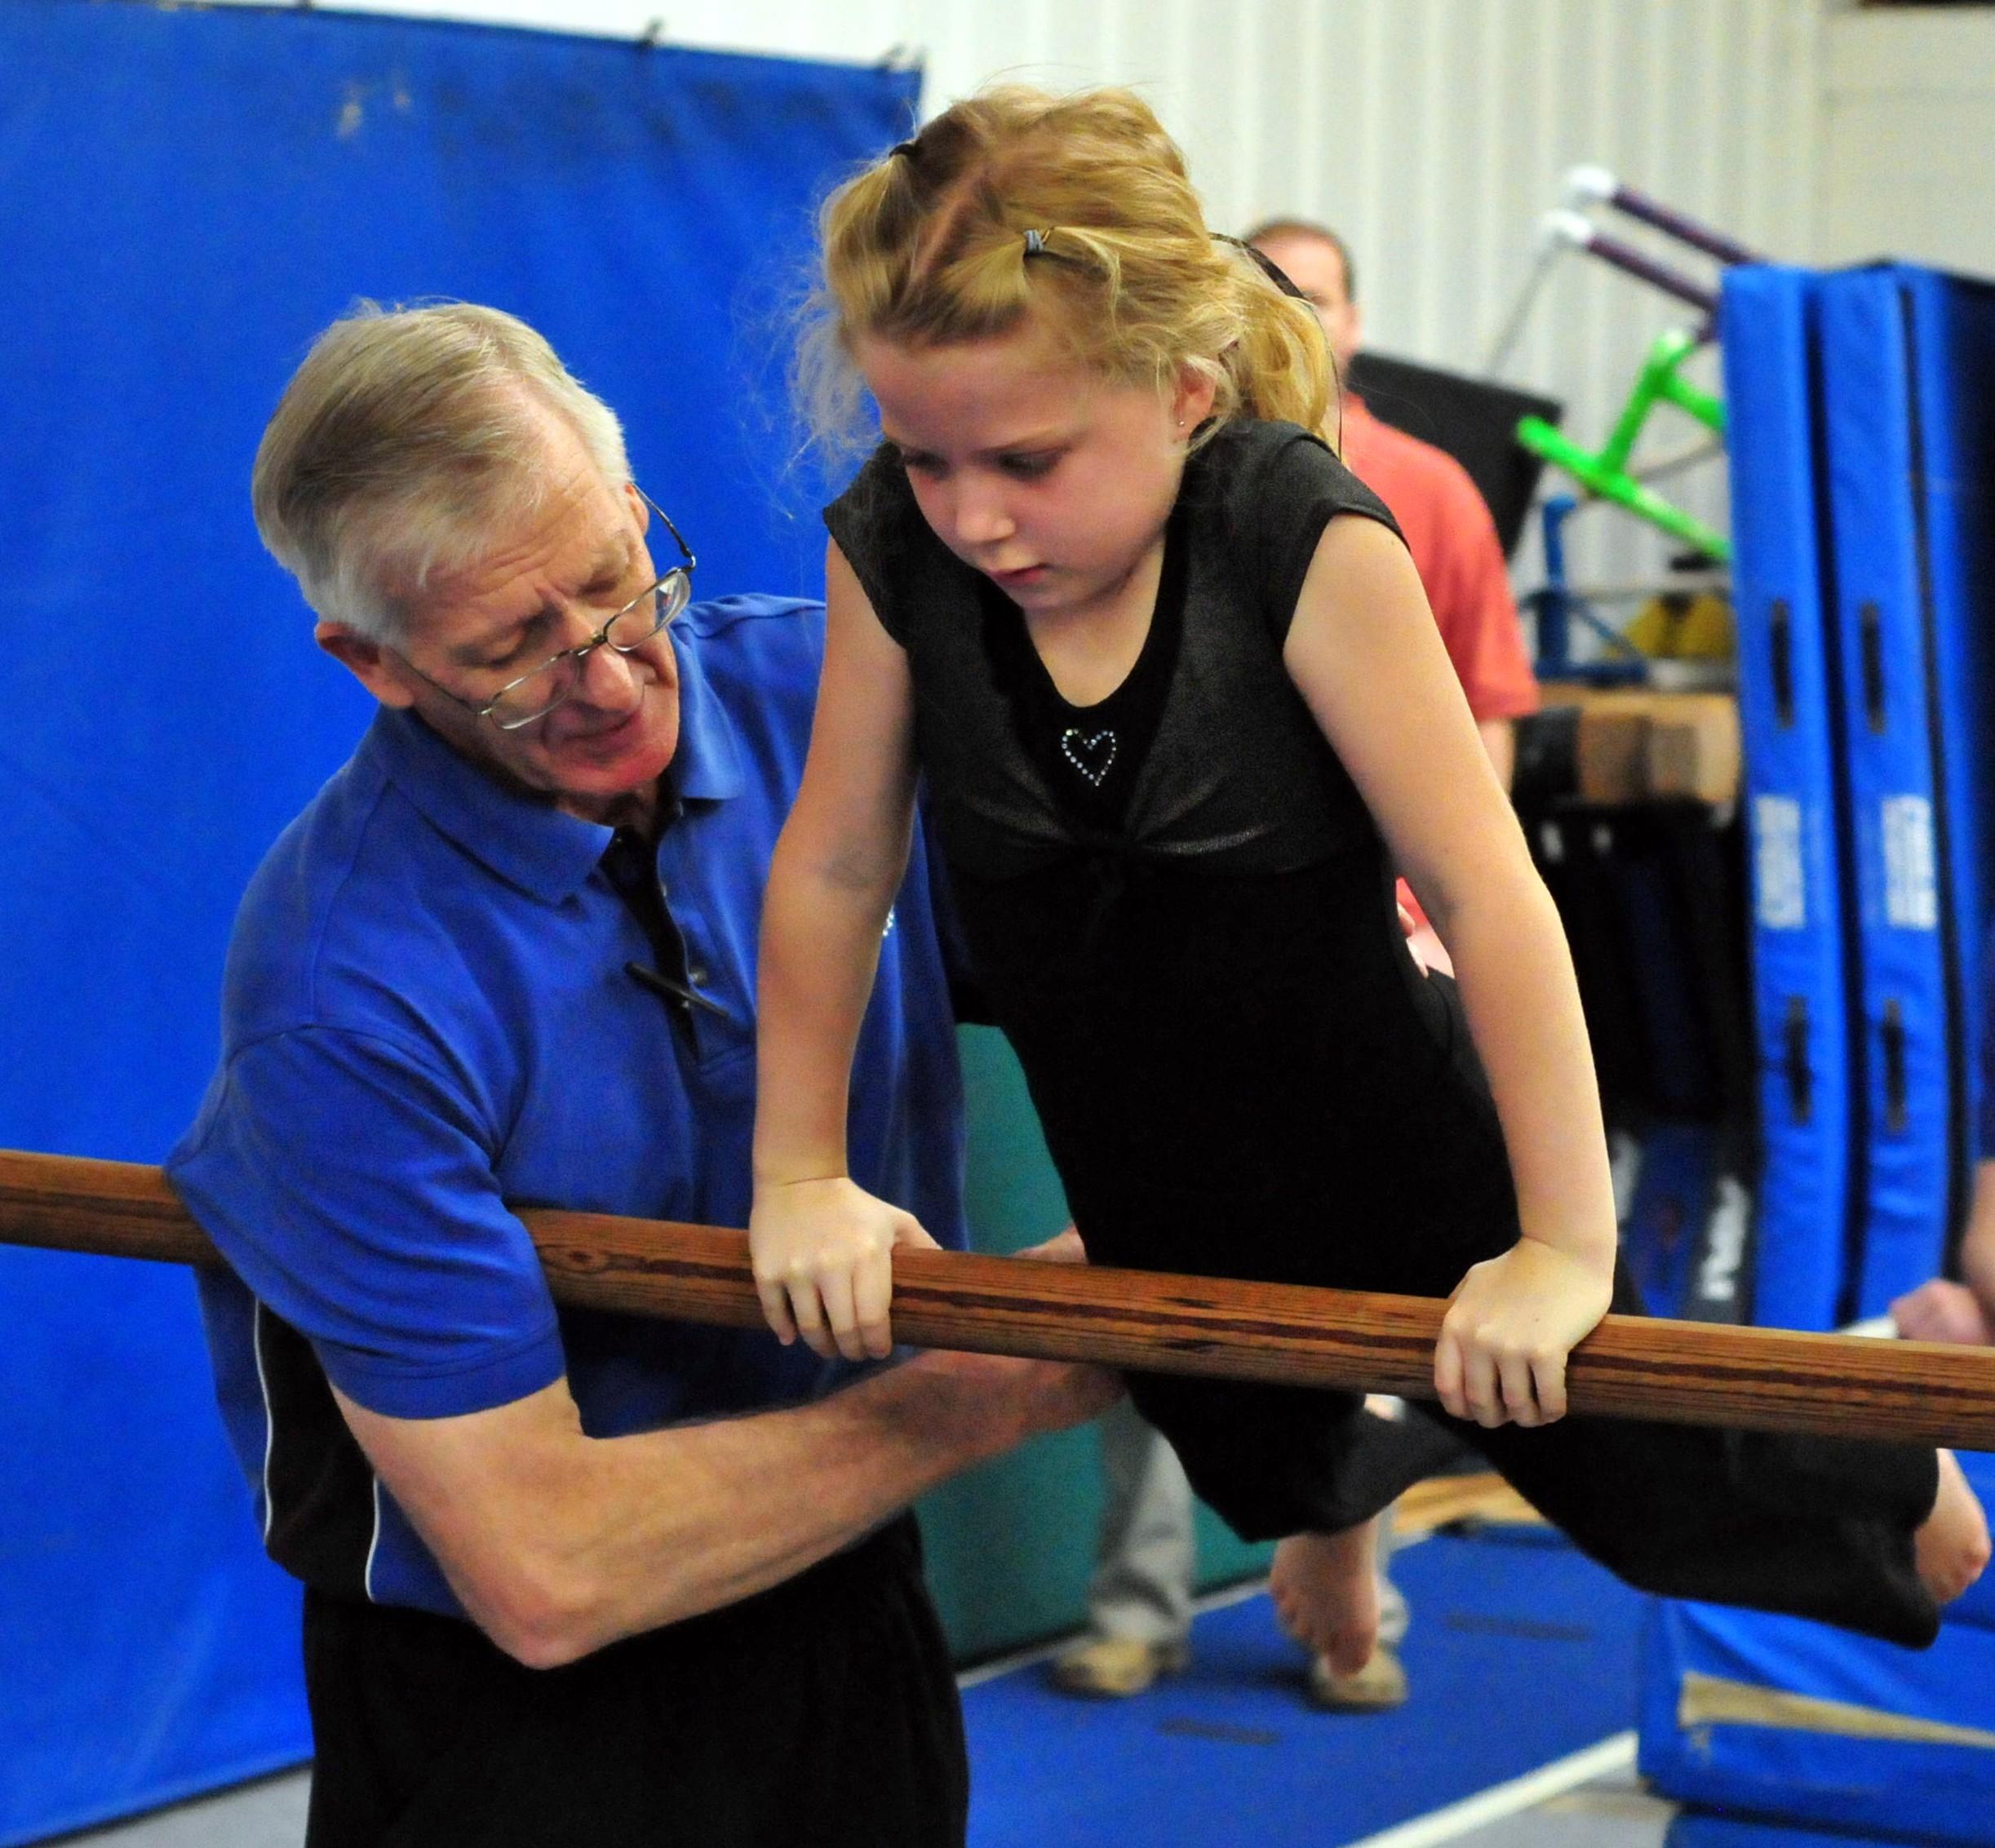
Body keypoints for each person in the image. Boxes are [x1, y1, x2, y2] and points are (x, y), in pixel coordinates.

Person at [747, 82, 1988, 1681]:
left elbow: (1485, 888)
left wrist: (1557, 1249)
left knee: (1652, 1479)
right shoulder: (898, 557)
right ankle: (1341, 1503)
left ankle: (1909, 1474)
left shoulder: (1293, 535)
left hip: (1401, 1139)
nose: (975, 511)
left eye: (1028, 457)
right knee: (1252, 1453)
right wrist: (798, 1172)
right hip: (1153, 1165)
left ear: (1184, 390)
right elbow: (838, 864)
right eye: (924, 457)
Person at [165, 301, 1119, 1848]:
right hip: (517, 1715)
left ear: (632, 505)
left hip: (851, 1610)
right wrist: (1017, 1371)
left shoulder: (840, 703)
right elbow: (550, 1572)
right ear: (372, 662)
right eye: (508, 657)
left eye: (617, 587)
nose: (606, 682)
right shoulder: (344, 992)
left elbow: (1145, 960)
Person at [1051, 215, 1544, 1712]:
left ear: (1355, 315)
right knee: (1161, 1273)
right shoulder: (1152, 494)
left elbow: (1487, 729)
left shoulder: (1425, 495)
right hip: (1185, 964)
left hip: (1372, 947)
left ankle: (1355, 1578)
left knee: (1381, 1278)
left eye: (1312, 296)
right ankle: (1140, 1599)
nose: (1288, 320)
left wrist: (1438, 913)